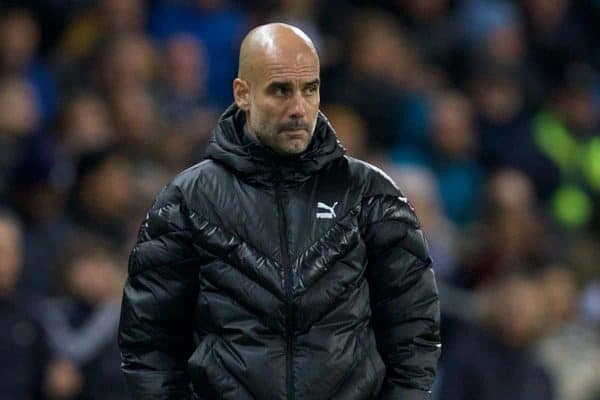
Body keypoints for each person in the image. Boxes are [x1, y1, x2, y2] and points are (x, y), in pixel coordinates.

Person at [118, 23, 440, 400]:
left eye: (310, 89)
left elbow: (414, 331)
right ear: (242, 94)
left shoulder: (371, 195)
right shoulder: (186, 203)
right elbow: (148, 345)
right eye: (280, 91)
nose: (299, 108)